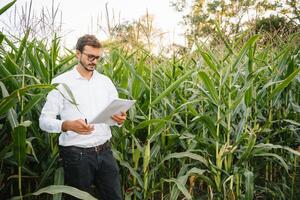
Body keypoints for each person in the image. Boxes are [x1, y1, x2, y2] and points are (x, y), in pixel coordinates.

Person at [39, 34, 125, 200]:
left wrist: (119, 119)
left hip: (105, 152)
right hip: (76, 156)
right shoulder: (61, 82)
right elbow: (44, 121)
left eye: (97, 57)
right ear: (77, 54)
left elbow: (115, 114)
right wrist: (67, 125)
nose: (94, 61)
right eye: (90, 56)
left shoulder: (105, 82)